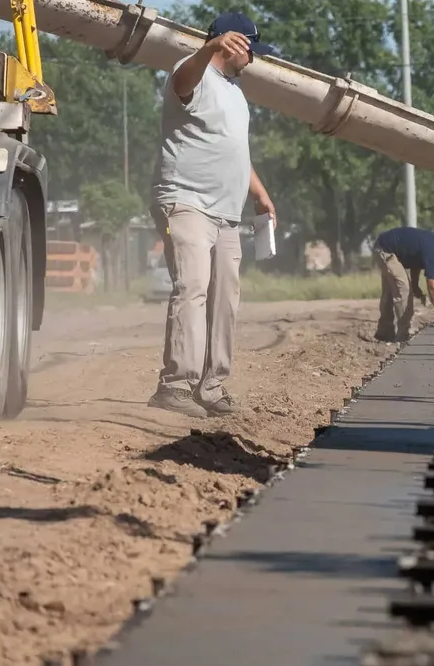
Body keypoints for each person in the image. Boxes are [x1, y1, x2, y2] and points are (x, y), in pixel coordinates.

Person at [147, 11, 278, 419]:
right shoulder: (192, 75)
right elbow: (181, 81)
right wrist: (209, 47)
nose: (252, 60)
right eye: (250, 50)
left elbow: (235, 149)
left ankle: (212, 384)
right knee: (193, 286)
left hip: (227, 213)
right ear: (231, 42)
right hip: (186, 203)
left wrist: (259, 192)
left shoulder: (235, 94)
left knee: (225, 298)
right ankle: (175, 385)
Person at [373, 226, 434, 342]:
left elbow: (416, 262)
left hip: (384, 245)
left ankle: (384, 333)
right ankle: (404, 335)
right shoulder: (433, 253)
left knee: (391, 291)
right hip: (386, 250)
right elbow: (432, 288)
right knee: (403, 289)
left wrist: (415, 286)